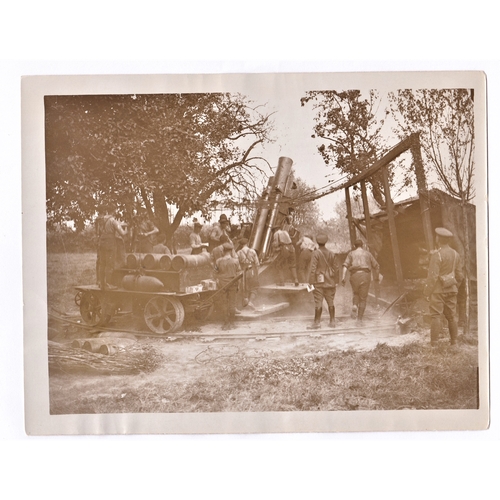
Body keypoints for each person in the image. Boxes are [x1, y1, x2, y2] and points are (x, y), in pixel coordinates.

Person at [423, 227, 464, 346]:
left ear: (438, 239)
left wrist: (427, 293)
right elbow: (460, 276)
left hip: (438, 291)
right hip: (452, 290)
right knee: (451, 316)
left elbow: (433, 277)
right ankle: (454, 342)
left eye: (436, 237)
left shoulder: (437, 255)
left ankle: (434, 344)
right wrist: (453, 285)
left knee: (436, 316)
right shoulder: (456, 254)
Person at [341, 239, 380, 322]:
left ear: (355, 246)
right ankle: (359, 320)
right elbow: (376, 266)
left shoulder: (351, 253)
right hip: (365, 276)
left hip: (354, 276)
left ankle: (355, 305)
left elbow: (345, 266)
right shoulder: (368, 254)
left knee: (356, 293)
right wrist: (376, 277)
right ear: (362, 245)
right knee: (363, 298)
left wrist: (343, 278)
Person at [307, 232, 337, 329]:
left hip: (318, 283)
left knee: (318, 302)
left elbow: (312, 269)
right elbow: (336, 269)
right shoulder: (332, 254)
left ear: (317, 242)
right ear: (326, 242)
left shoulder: (315, 253)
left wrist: (310, 283)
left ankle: (317, 323)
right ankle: (332, 322)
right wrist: (336, 281)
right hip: (330, 282)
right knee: (330, 302)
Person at [97, 207, 128, 290]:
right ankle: (108, 284)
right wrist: (126, 228)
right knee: (109, 264)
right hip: (110, 243)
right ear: (114, 211)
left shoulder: (101, 220)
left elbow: (99, 231)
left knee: (102, 263)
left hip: (101, 242)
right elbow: (122, 233)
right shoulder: (113, 220)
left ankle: (101, 283)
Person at [215, 242, 242, 330]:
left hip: (222, 285)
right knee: (232, 303)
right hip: (232, 284)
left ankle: (226, 323)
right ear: (231, 251)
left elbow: (215, 273)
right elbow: (239, 274)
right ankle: (232, 323)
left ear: (223, 251)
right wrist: (238, 285)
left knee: (224, 303)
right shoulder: (235, 261)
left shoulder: (218, 261)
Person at [237, 238, 260, 309]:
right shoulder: (252, 251)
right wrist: (257, 273)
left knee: (244, 287)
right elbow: (257, 264)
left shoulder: (239, 252)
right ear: (247, 243)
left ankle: (245, 302)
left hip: (243, 271)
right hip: (252, 270)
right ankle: (251, 302)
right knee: (254, 286)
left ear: (241, 245)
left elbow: (237, 264)